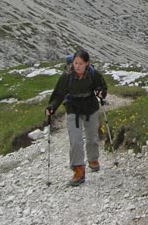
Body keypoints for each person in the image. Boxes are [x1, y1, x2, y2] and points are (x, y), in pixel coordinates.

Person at [45, 49, 108, 186]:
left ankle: (93, 159)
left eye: (80, 63)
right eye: (75, 63)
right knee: (75, 140)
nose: (77, 66)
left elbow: (102, 87)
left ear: (87, 63)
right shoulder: (66, 77)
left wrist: (101, 92)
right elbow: (58, 95)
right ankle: (78, 169)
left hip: (90, 107)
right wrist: (51, 107)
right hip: (73, 108)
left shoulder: (93, 74)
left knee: (92, 137)